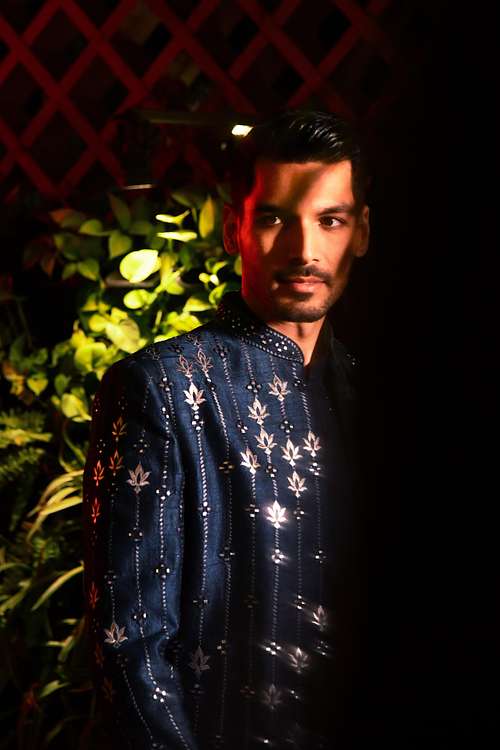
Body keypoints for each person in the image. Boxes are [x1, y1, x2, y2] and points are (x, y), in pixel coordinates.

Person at [83, 109, 370, 749]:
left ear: (362, 232)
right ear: (232, 228)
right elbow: (130, 651)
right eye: (274, 218)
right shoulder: (161, 388)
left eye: (330, 220)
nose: (304, 250)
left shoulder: (373, 396)